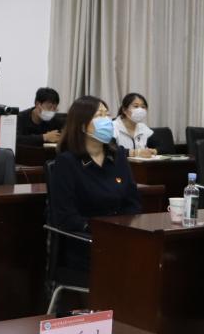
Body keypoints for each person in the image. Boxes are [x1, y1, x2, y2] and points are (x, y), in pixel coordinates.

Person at [49, 96, 141, 270]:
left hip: (119, 236)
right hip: (85, 241)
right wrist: (100, 230)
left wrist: (123, 228)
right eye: (99, 115)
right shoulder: (67, 162)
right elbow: (65, 216)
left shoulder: (118, 157)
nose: (106, 120)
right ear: (82, 125)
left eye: (107, 114)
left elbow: (133, 202)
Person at [113, 93, 156, 158]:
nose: (140, 110)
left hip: (141, 164)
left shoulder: (143, 127)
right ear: (124, 110)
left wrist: (154, 151)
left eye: (143, 107)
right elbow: (111, 150)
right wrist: (136, 153)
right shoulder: (113, 126)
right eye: (136, 106)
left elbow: (162, 146)